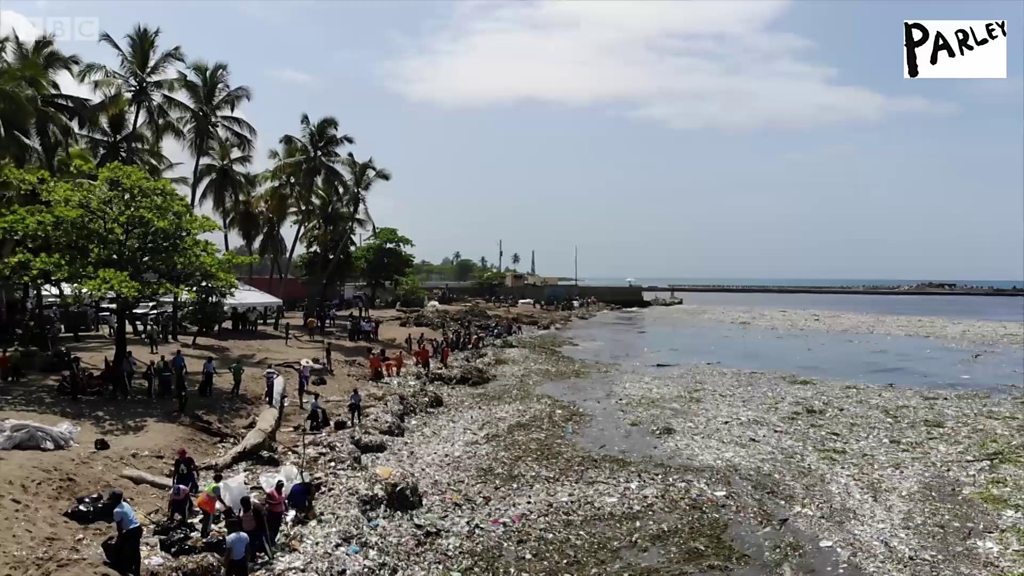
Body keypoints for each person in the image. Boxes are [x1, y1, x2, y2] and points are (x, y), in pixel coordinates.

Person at [109, 489, 142, 576]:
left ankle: (119, 568)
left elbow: (119, 528)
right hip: (138, 528)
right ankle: (137, 571)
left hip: (131, 531)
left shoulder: (117, 511)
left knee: (118, 547)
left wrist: (119, 538)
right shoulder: (125, 504)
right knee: (136, 551)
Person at [239, 495, 273, 561]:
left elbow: (261, 510)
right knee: (261, 543)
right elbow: (261, 512)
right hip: (254, 530)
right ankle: (268, 556)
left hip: (248, 530)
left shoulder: (243, 511)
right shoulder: (252, 511)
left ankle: (254, 557)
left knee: (253, 544)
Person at [197, 473, 228, 538]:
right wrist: (225, 505)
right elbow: (219, 497)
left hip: (201, 501)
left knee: (206, 517)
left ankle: (203, 530)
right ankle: (206, 533)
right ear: (220, 479)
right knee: (209, 519)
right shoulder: (216, 487)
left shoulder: (210, 484)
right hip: (207, 504)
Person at [264, 479, 287, 546]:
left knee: (277, 527)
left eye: (281, 487)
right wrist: (275, 503)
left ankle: (273, 539)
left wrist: (285, 507)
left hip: (279, 513)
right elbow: (267, 501)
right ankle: (270, 540)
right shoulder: (271, 492)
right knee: (271, 527)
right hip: (272, 512)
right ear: (276, 485)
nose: (280, 488)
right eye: (279, 486)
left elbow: (284, 500)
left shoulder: (282, 492)